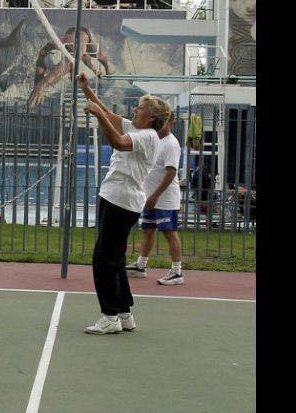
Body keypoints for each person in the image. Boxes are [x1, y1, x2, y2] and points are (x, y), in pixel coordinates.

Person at [79, 73, 170, 334]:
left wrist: (97, 115)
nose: (135, 110)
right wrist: (87, 90)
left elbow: (117, 141)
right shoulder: (137, 129)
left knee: (103, 259)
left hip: (121, 201)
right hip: (117, 198)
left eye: (140, 108)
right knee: (115, 258)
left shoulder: (146, 137)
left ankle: (109, 317)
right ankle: (123, 312)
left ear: (151, 116)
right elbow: (108, 113)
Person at [125, 111, 185, 285]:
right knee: (148, 230)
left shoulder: (171, 144)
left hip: (164, 198)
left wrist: (156, 195)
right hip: (149, 196)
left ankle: (176, 272)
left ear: (171, 123)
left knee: (169, 232)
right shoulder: (155, 140)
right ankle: (140, 266)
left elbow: (171, 172)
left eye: (164, 122)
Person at [28, 27, 112, 107]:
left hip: (81, 40)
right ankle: (97, 70)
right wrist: (38, 87)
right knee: (75, 63)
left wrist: (43, 84)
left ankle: (107, 68)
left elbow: (71, 63)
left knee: (99, 58)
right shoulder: (52, 45)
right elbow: (40, 67)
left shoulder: (81, 45)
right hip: (68, 47)